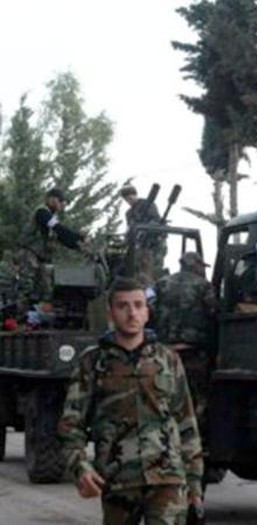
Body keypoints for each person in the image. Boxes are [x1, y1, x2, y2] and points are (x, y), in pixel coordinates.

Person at [58, 276, 204, 524]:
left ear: (147, 312)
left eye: (138, 305)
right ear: (111, 313)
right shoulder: (93, 362)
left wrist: (195, 483)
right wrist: (80, 467)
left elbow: (186, 423)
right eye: (123, 306)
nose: (132, 313)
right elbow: (71, 425)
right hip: (118, 480)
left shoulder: (168, 359)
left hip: (168, 477)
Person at [154, 251, 217, 428]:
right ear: (195, 265)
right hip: (193, 352)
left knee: (164, 394)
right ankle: (192, 430)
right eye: (201, 266)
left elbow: (149, 310)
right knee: (196, 397)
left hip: (164, 350)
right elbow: (214, 312)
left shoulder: (161, 283)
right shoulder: (203, 286)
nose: (202, 270)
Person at [119, 185, 167, 283]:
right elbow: (130, 229)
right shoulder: (129, 213)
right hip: (140, 244)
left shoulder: (148, 205)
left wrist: (146, 228)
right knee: (139, 268)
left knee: (155, 269)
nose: (129, 201)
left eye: (130, 198)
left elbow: (156, 222)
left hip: (154, 243)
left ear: (135, 195)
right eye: (126, 199)